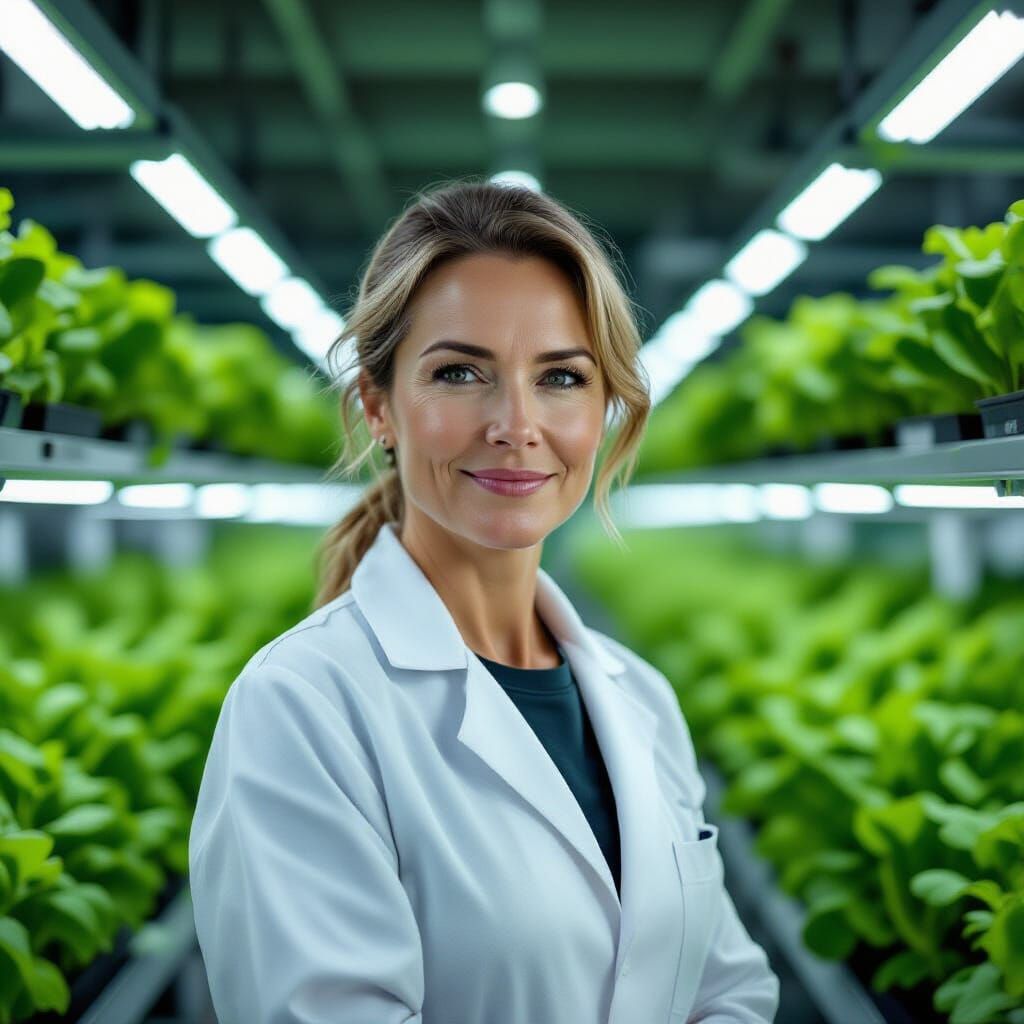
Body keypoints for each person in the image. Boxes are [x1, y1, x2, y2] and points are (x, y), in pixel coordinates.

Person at [188, 178, 780, 1024]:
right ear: (379, 407)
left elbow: (729, 989)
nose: (515, 424)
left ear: (605, 409)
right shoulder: (299, 708)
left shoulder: (641, 698)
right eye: (460, 373)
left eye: (562, 377)